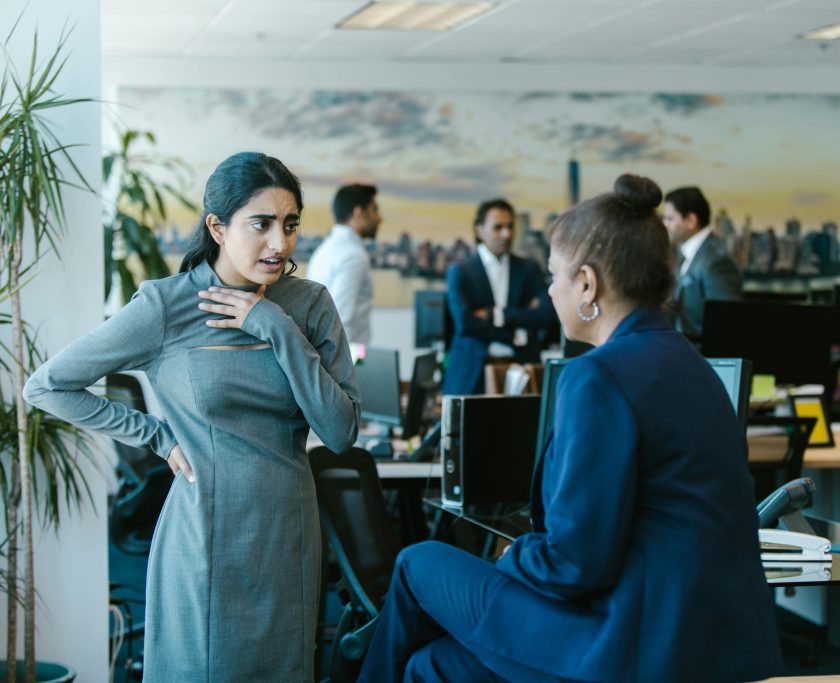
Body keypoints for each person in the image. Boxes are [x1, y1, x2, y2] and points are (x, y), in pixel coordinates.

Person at [357, 175, 782, 683]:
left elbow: (577, 563)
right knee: (430, 666)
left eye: (553, 275)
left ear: (587, 284)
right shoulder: (696, 366)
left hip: (631, 642)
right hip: (713, 640)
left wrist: (515, 556)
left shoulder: (597, 376)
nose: (549, 290)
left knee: (418, 561)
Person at [24, 152, 361, 682]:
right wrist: (156, 435)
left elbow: (340, 433)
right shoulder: (166, 306)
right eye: (261, 224)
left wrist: (274, 326)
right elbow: (48, 385)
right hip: (206, 530)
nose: (280, 243)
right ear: (217, 227)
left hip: (289, 530)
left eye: (290, 224)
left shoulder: (309, 305)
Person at [442, 198, 555, 395]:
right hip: (471, 373)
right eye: (498, 227)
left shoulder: (529, 269)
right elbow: (465, 324)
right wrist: (514, 335)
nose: (506, 234)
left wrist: (496, 315)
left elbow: (545, 315)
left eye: (510, 227)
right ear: (479, 231)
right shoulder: (460, 272)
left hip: (523, 369)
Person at [662, 186, 743, 340]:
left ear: (691, 220)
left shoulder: (717, 261)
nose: (664, 224)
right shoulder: (686, 253)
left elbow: (725, 325)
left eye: (670, 219)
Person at [306, 183, 381, 345]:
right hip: (347, 356)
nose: (379, 218)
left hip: (323, 351)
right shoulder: (354, 256)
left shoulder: (324, 250)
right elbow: (341, 318)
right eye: (374, 210)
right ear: (358, 213)